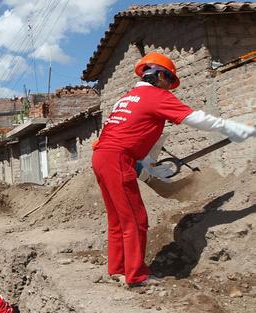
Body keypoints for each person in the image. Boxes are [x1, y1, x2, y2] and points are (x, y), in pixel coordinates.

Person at [92, 52, 256, 287]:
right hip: (117, 158)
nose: (170, 87)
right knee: (136, 219)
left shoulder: (127, 98)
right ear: (159, 75)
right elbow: (194, 117)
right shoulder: (155, 95)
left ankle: (118, 269)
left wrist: (145, 166)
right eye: (169, 81)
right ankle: (136, 276)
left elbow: (128, 133)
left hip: (103, 156)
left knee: (118, 219)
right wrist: (231, 127)